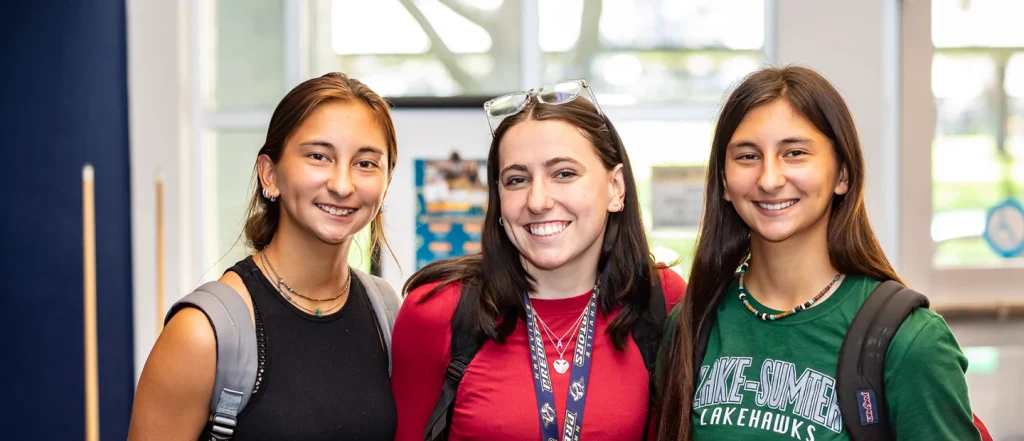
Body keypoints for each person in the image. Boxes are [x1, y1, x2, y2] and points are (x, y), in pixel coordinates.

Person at [655, 66, 981, 441]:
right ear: (724, 182)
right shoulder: (692, 324)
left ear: (842, 174)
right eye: (747, 156)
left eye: (794, 153)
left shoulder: (909, 341)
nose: (769, 179)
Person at [391, 79, 687, 441]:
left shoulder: (661, 300)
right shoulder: (437, 310)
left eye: (563, 173)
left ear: (616, 188)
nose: (538, 200)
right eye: (516, 179)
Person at [127, 72, 401, 441]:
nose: (342, 184)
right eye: (319, 156)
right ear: (269, 174)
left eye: (365, 163)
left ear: (386, 184)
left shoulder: (386, 312)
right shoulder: (204, 333)